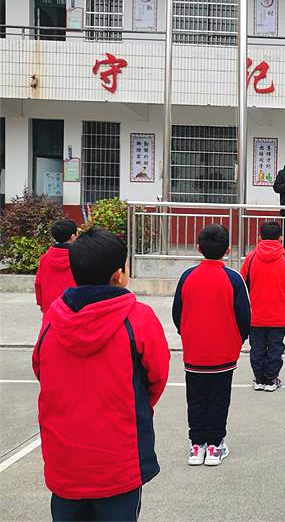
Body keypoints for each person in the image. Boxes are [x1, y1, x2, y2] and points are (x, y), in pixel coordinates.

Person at [32, 227, 170, 521]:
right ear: (118, 275)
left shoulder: (52, 319)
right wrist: (133, 406)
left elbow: (40, 369)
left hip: (65, 459)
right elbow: (157, 378)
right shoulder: (138, 318)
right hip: (119, 459)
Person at [172, 225, 251, 467]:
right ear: (228, 250)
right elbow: (244, 316)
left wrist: (188, 334)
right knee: (219, 400)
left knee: (195, 400)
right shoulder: (234, 279)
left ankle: (197, 446)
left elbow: (177, 312)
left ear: (198, 248)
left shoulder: (187, 277)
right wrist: (237, 340)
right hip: (224, 354)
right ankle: (215, 446)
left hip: (194, 352)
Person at [241, 221, 285, 392]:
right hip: (279, 313)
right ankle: (271, 379)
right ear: (281, 238)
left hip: (255, 313)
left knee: (257, 347)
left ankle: (259, 379)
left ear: (259, 237)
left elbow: (242, 285)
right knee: (275, 347)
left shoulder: (251, 258)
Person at [34, 219, 78, 314]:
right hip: (74, 310)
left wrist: (41, 304)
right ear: (73, 237)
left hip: (51, 310)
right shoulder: (80, 257)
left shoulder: (44, 258)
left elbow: (38, 284)